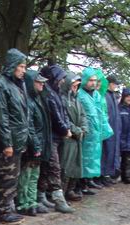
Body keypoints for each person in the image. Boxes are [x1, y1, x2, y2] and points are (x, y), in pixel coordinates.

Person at [0, 48, 29, 224]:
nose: (24, 70)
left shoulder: (16, 86)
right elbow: (0, 117)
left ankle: (7, 208)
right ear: (13, 66)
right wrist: (6, 143)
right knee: (4, 178)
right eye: (21, 66)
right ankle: (1, 213)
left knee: (12, 178)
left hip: (17, 140)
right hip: (5, 142)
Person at [41, 64, 74, 213]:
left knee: (49, 167)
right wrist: (65, 129)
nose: (62, 81)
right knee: (53, 167)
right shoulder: (48, 94)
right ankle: (58, 199)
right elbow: (55, 115)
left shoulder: (56, 92)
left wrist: (67, 127)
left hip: (57, 136)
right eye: (60, 78)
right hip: (50, 137)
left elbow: (63, 113)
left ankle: (41, 194)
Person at [77, 67, 112, 194]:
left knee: (92, 158)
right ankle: (79, 185)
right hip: (85, 132)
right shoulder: (80, 94)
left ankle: (86, 183)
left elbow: (101, 114)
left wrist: (105, 129)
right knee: (83, 159)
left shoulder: (96, 95)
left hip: (95, 133)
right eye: (91, 80)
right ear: (85, 80)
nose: (93, 83)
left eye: (95, 80)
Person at [17, 70, 46, 216]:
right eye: (38, 82)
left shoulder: (36, 99)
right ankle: (23, 203)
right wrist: (35, 145)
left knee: (34, 174)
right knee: (26, 175)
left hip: (37, 143)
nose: (42, 84)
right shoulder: (28, 101)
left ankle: (32, 201)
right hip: (30, 145)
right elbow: (29, 126)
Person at [59, 72, 87, 201]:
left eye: (77, 86)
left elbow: (83, 116)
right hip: (68, 137)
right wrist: (76, 130)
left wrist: (83, 129)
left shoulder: (77, 100)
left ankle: (70, 190)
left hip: (77, 138)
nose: (75, 88)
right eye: (73, 85)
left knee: (76, 165)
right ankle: (62, 192)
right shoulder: (62, 99)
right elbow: (63, 118)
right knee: (66, 165)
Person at [101, 74, 121, 186]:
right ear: (110, 84)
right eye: (115, 84)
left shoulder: (112, 95)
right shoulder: (104, 94)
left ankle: (108, 174)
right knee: (105, 152)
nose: (116, 86)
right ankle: (103, 175)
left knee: (111, 153)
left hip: (114, 129)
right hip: (107, 129)